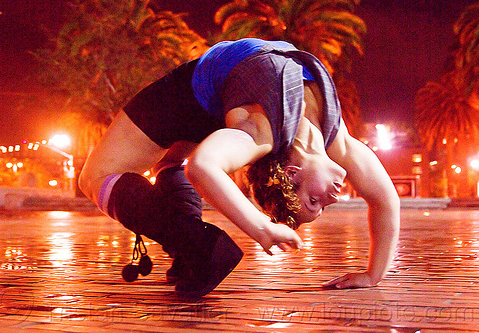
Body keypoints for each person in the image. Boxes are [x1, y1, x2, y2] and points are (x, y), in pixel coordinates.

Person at [79, 38, 400, 298]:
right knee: (128, 170)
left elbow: (384, 199)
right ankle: (195, 248)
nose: (333, 200)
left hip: (208, 96)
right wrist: (260, 228)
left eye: (316, 203)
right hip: (196, 95)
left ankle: (195, 248)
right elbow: (202, 167)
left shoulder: (268, 135)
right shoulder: (324, 139)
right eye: (314, 203)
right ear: (290, 174)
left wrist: (373, 275)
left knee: (97, 178)